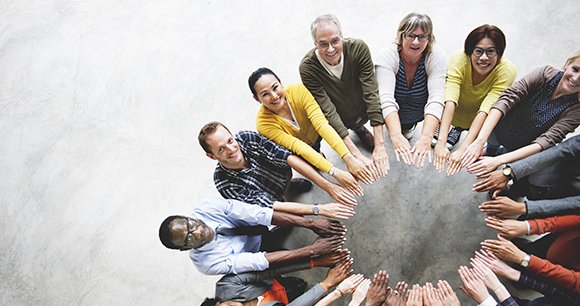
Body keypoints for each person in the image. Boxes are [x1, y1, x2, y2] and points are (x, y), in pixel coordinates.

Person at [251, 67, 375, 197]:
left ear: (280, 82)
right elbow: (298, 146)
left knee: (326, 129)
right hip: (297, 147)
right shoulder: (263, 124)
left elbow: (321, 125)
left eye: (275, 87)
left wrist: (348, 157)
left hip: (316, 133)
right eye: (265, 94)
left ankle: (358, 129)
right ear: (257, 98)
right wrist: (334, 171)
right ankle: (317, 156)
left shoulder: (298, 90)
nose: (274, 96)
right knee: (309, 157)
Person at [463, 51, 580, 178]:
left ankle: (496, 157)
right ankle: (490, 152)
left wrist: (499, 161)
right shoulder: (545, 74)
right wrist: (480, 140)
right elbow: (508, 98)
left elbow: (548, 140)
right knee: (492, 143)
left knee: (506, 156)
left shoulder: (576, 109)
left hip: (522, 146)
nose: (575, 78)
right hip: (500, 127)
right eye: (575, 69)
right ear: (567, 64)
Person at [299, 13, 389, 178]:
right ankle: (355, 130)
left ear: (342, 36)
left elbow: (371, 92)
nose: (331, 49)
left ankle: (359, 128)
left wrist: (380, 145)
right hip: (339, 115)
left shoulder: (358, 48)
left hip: (361, 108)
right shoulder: (308, 68)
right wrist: (356, 154)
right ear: (315, 44)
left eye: (335, 41)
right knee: (334, 119)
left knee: (360, 122)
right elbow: (327, 109)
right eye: (323, 44)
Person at [158, 197, 346, 275]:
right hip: (257, 251)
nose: (198, 232)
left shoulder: (207, 207)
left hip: (256, 225)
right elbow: (255, 261)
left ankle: (284, 226)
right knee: (277, 262)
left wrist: (312, 223)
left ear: (188, 217)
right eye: (190, 238)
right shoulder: (206, 264)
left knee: (265, 211)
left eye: (191, 225)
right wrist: (311, 249)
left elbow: (258, 214)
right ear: (186, 248)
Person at [198, 121, 357, 208]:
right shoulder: (224, 183)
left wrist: (328, 185)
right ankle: (285, 192)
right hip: (271, 197)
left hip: (283, 173)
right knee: (279, 206)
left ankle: (289, 185)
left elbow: (285, 156)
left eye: (230, 141)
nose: (231, 149)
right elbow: (266, 206)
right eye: (221, 149)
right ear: (211, 156)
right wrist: (316, 210)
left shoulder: (245, 138)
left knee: (292, 154)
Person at [433, 25, 517, 176]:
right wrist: (441, 141)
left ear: (500, 54)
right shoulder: (459, 58)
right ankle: (448, 129)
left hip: (476, 118)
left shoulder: (506, 71)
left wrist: (463, 149)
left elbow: (486, 110)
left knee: (462, 127)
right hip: (455, 110)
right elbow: (451, 98)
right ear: (469, 52)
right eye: (478, 51)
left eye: (491, 51)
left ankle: (457, 131)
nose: (484, 58)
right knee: (448, 121)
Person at [374, 12, 447, 168]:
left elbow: (436, 98)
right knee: (399, 132)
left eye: (422, 37)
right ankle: (399, 128)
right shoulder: (387, 55)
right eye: (410, 36)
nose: (416, 42)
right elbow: (385, 98)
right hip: (393, 111)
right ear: (401, 36)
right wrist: (394, 135)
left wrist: (427, 136)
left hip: (418, 113)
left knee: (408, 130)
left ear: (429, 38)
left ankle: (409, 126)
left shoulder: (437, 57)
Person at [473, 134, 580, 218]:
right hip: (545, 173)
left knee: (534, 220)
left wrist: (527, 209)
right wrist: (511, 172)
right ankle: (513, 192)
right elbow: (564, 149)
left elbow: (575, 204)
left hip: (565, 204)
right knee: (522, 185)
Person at [206, 253, 354, 306]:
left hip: (272, 279)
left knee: (269, 263)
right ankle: (297, 287)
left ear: (217, 303)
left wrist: (315, 261)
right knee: (300, 290)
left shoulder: (226, 285)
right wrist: (327, 284)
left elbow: (270, 270)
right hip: (283, 302)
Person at [482, 233, 580, 294]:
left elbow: (574, 282)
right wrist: (529, 224)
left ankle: (526, 275)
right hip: (564, 239)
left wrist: (524, 259)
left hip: (565, 273)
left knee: (543, 280)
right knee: (540, 246)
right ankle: (531, 249)